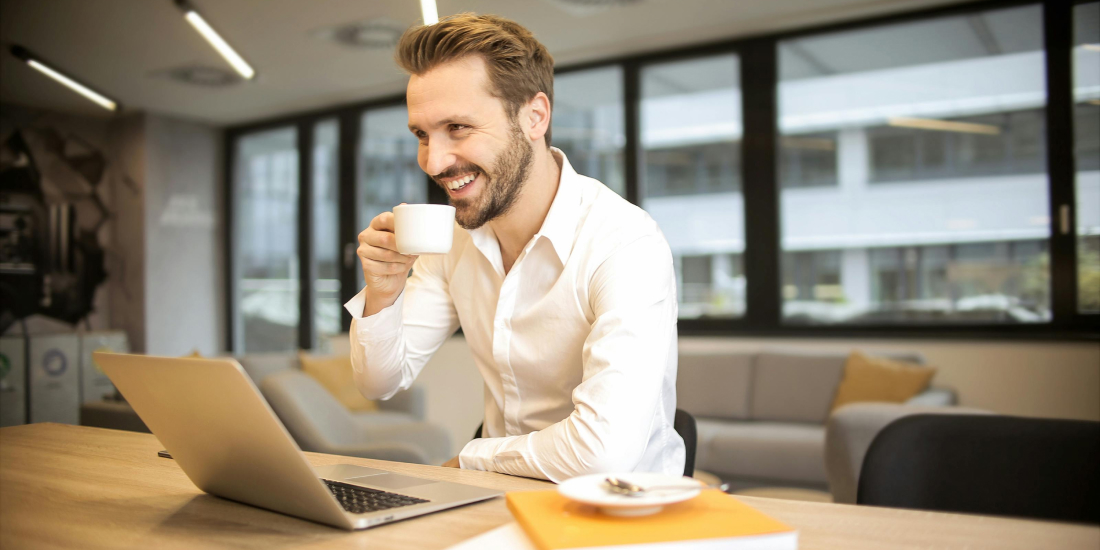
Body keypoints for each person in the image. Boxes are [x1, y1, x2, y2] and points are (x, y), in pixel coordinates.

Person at [346, 13, 684, 482]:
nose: (434, 161)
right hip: (500, 499)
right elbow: (379, 381)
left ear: (534, 116)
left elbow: (602, 453)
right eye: (422, 135)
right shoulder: (454, 242)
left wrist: (472, 457)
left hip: (619, 508)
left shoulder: (625, 243)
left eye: (458, 128)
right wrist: (383, 293)